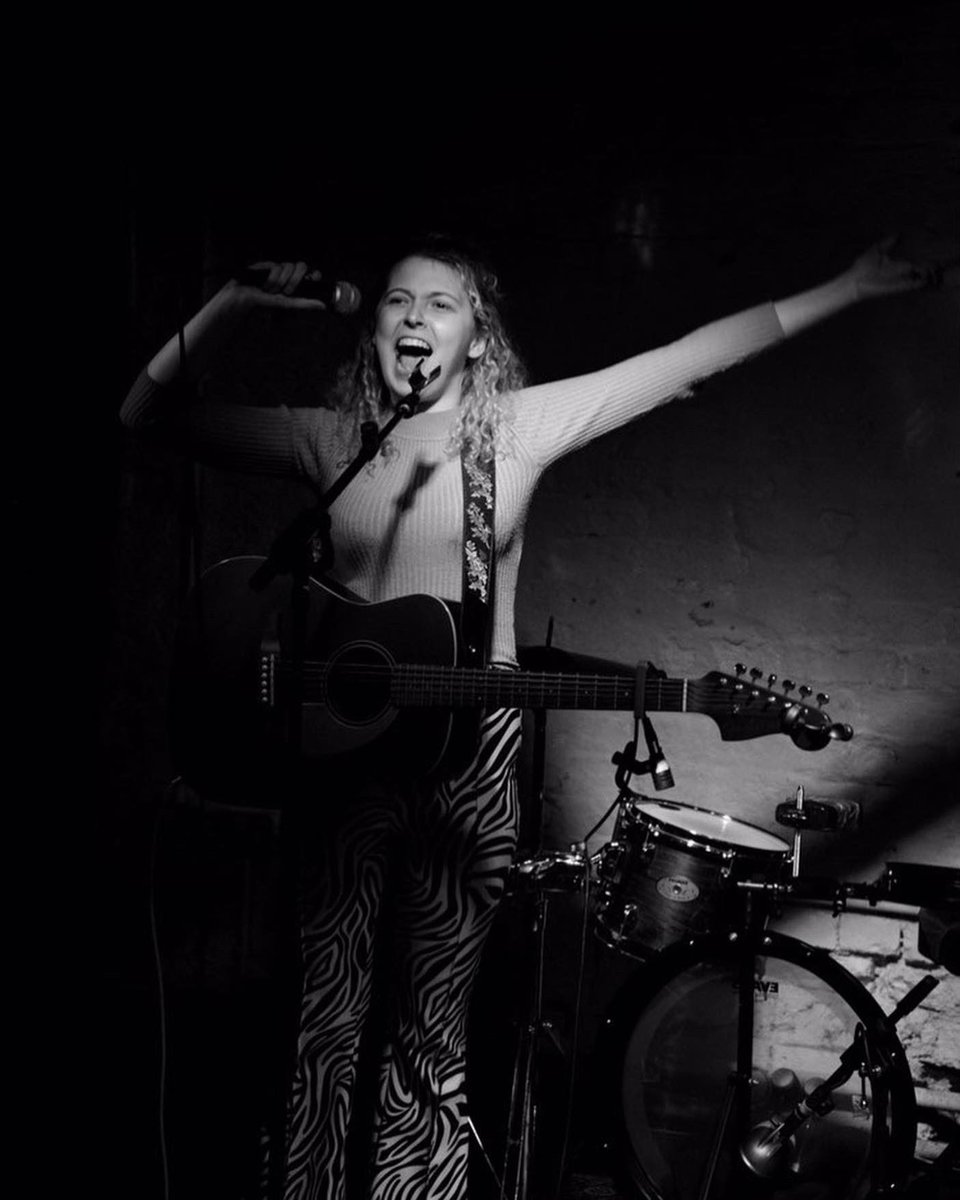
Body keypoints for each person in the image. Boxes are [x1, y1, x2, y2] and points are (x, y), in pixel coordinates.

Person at [120, 232, 933, 1200]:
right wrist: (234, 302)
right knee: (324, 1019)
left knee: (432, 1022)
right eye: (396, 301)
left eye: (441, 304)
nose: (414, 318)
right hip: (344, 760)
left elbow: (693, 354)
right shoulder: (331, 438)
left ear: (476, 338)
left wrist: (847, 284)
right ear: (373, 326)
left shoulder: (518, 429)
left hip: (471, 752)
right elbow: (146, 414)